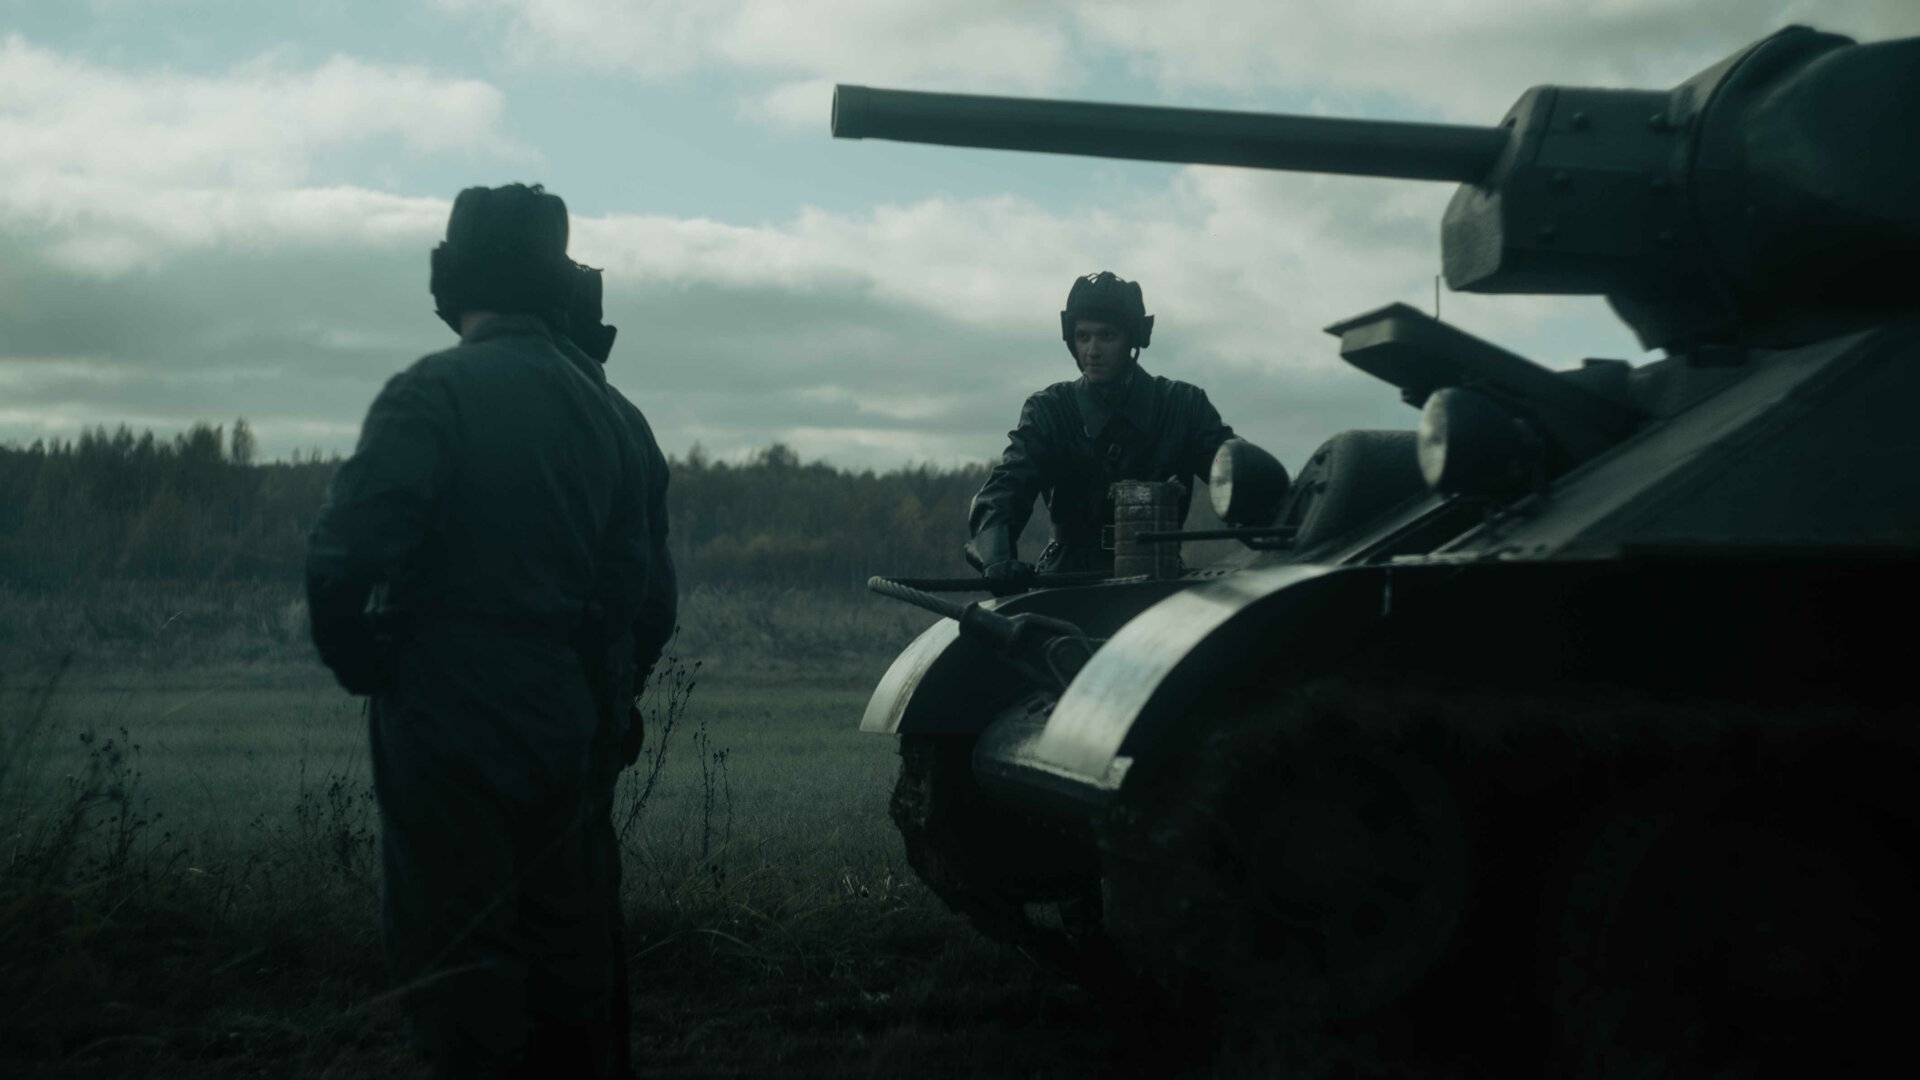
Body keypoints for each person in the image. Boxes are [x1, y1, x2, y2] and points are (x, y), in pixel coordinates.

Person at [306, 183, 655, 1078]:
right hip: (563, 705)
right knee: (566, 959)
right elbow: (635, 586)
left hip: (445, 705)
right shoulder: (608, 413)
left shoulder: (432, 391)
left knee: (457, 960)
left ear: (451, 277)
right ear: (557, 282)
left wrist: (365, 662)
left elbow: (344, 559)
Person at [558, 260, 678, 1079]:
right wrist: (618, 687)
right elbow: (655, 599)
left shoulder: (480, 401)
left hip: (494, 709)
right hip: (592, 700)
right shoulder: (627, 422)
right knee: (585, 903)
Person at [966, 271, 1238, 591]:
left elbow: (1235, 472)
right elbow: (1007, 486)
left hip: (1158, 576)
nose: (1092, 350)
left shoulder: (1183, 407)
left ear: (1132, 339)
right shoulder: (1050, 410)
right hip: (1067, 581)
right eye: (1083, 336)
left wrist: (1274, 514)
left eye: (1107, 336)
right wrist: (997, 556)